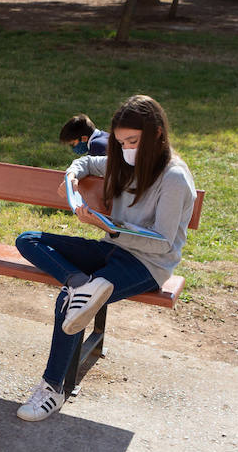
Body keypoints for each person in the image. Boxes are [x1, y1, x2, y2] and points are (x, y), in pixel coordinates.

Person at [13, 95, 197, 422]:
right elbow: (89, 163)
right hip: (112, 247)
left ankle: (52, 388)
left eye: (133, 141)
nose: (126, 149)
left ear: (156, 134)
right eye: (121, 141)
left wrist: (108, 228)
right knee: (29, 240)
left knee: (69, 301)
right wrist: (72, 174)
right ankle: (79, 282)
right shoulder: (124, 160)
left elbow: (163, 244)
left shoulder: (174, 178)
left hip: (148, 264)